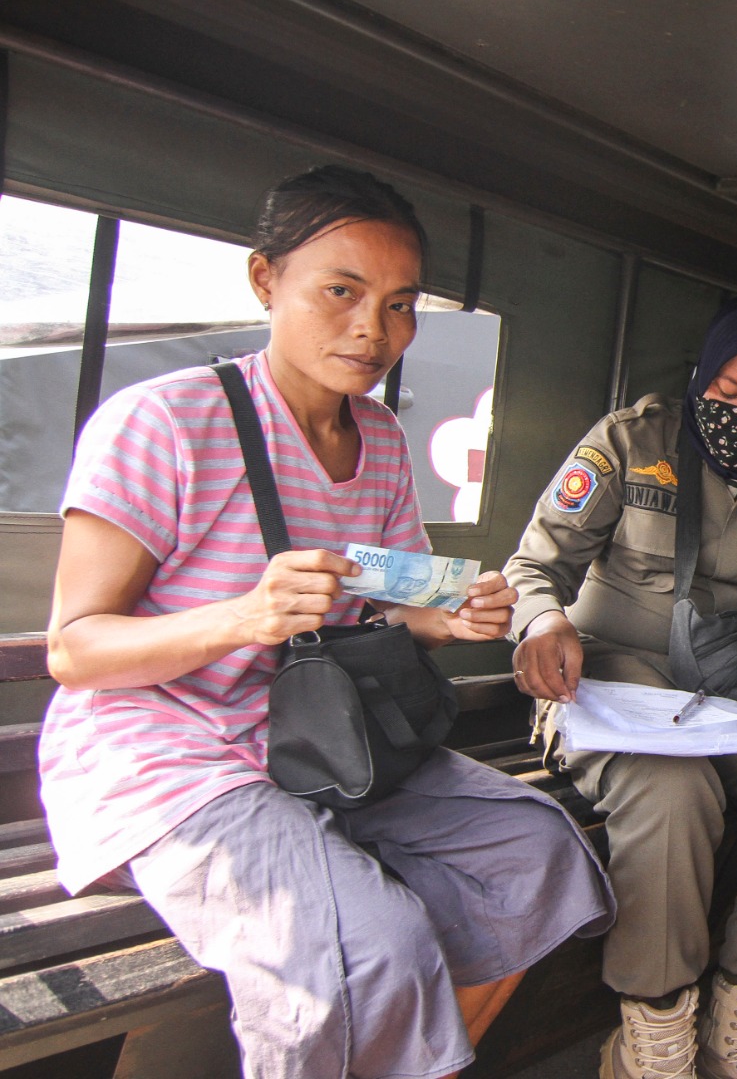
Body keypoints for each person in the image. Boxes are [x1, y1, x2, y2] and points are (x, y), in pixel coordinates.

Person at [40, 165, 614, 1079]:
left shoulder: (379, 439)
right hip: (168, 756)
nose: (373, 330)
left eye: (400, 304)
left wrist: (451, 618)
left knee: (536, 849)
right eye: (341, 292)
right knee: (370, 941)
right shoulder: (164, 421)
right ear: (265, 280)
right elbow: (75, 650)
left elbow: (388, 604)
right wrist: (243, 616)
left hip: (326, 739)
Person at [504, 294, 737, 1079]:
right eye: (729, 394)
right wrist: (542, 622)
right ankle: (653, 1033)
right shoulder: (629, 442)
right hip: (615, 672)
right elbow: (534, 564)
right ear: (702, 378)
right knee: (673, 795)